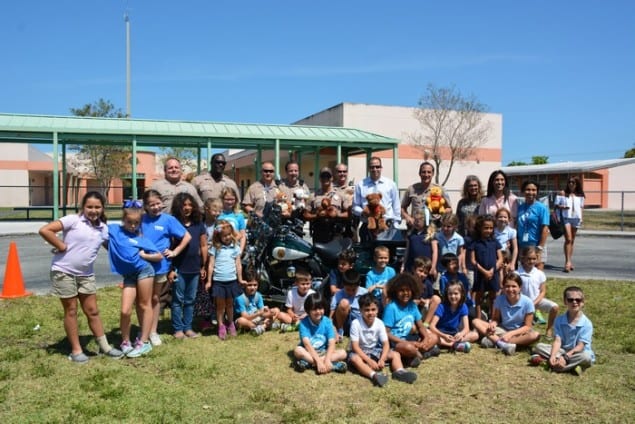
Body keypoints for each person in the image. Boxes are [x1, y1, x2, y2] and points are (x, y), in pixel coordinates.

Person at [38, 191, 123, 363]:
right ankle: (76, 350)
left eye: (97, 207)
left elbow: (114, 248)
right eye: (89, 207)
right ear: (83, 207)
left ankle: (105, 346)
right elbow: (45, 230)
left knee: (93, 311)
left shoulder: (103, 229)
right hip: (63, 271)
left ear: (103, 208)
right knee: (71, 310)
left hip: (86, 275)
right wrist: (61, 246)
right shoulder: (73, 220)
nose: (93, 210)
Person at [107, 202, 163, 358]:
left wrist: (145, 256)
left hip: (144, 271)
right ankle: (125, 341)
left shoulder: (141, 238)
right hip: (129, 275)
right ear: (123, 220)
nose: (132, 226)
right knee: (125, 310)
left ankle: (143, 342)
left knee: (144, 304)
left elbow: (159, 256)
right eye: (129, 222)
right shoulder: (114, 231)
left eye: (136, 223)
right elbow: (96, 232)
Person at [141, 189, 192, 347]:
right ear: (145, 206)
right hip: (141, 265)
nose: (155, 207)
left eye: (158, 203)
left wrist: (175, 251)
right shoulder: (140, 219)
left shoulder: (168, 220)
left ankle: (153, 331)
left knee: (155, 299)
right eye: (151, 205)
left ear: (162, 203)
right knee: (143, 300)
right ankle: (143, 330)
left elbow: (186, 236)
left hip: (160, 266)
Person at [348, 293, 418, 386]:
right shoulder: (356, 323)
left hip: (373, 350)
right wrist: (369, 361)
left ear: (377, 310)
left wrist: (382, 359)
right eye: (367, 310)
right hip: (360, 352)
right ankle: (374, 375)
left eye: (373, 310)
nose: (370, 313)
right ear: (360, 310)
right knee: (354, 359)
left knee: (395, 354)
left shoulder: (379, 323)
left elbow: (386, 344)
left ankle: (399, 372)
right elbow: (355, 347)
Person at [529, 286, 595, 375]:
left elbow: (580, 346)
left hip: (578, 353)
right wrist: (553, 355)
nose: (574, 302)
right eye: (570, 300)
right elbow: (557, 341)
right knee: (539, 347)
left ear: (583, 302)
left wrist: (566, 357)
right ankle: (572, 366)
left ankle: (552, 365)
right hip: (562, 350)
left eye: (578, 300)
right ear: (565, 302)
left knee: (586, 358)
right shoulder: (559, 320)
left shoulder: (587, 323)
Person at [472, 272, 541, 355]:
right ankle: (501, 343)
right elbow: (496, 319)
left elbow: (527, 326)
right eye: (507, 286)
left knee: (535, 335)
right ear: (503, 288)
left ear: (520, 288)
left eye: (514, 286)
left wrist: (510, 334)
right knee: (475, 321)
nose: (510, 289)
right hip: (503, 329)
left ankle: (497, 341)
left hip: (519, 332)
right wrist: (493, 324)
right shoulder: (499, 299)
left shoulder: (528, 302)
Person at [169, 193, 208, 339]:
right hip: (179, 268)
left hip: (195, 268)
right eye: (184, 205)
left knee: (190, 299)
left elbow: (203, 245)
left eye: (190, 205)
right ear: (178, 206)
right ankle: (178, 329)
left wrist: (203, 266)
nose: (187, 208)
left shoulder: (199, 224)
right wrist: (171, 269)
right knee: (178, 300)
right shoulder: (173, 223)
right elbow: (169, 246)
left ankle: (188, 328)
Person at [383, 273, 440, 366]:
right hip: (397, 343)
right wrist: (406, 342)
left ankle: (414, 356)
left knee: (434, 337)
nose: (405, 293)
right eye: (401, 290)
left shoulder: (412, 305)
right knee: (409, 348)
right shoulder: (391, 307)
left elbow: (421, 326)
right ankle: (419, 355)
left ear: (413, 290)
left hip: (411, 337)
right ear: (395, 292)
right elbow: (386, 333)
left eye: (408, 290)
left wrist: (425, 338)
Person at [206, 220, 244, 340]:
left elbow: (238, 265)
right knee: (220, 306)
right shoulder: (215, 248)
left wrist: (240, 279)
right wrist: (209, 281)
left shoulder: (235, 248)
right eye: (224, 236)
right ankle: (221, 325)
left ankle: (231, 323)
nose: (227, 238)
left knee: (230, 305)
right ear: (219, 236)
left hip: (231, 280)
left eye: (229, 235)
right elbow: (211, 265)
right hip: (219, 281)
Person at [292, 293, 348, 374]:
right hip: (309, 351)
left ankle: (308, 363)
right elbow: (307, 344)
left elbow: (331, 343)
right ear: (308, 311)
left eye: (320, 308)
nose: (318, 312)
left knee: (343, 353)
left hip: (324, 352)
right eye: (314, 309)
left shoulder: (328, 322)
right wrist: (318, 361)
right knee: (298, 350)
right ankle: (333, 365)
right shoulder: (303, 323)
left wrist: (327, 359)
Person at [352, 157, 401, 240]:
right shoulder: (361, 185)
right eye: (372, 167)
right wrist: (364, 213)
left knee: (385, 252)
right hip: (368, 225)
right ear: (368, 168)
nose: (375, 169)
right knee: (366, 252)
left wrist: (395, 225)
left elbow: (396, 205)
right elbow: (355, 206)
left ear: (381, 168)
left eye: (377, 166)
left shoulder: (390, 184)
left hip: (386, 226)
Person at [517, 246, 559, 338]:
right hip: (522, 303)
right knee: (526, 330)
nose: (531, 261)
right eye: (529, 259)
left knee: (555, 307)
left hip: (536, 301)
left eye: (534, 259)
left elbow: (543, 291)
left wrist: (535, 302)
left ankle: (549, 329)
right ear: (523, 258)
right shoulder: (517, 273)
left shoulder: (539, 274)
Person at [429, 280, 479, 352]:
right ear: (447, 294)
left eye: (456, 293)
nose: (453, 296)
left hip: (454, 334)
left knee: (475, 335)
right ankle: (454, 345)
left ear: (461, 294)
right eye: (450, 294)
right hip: (441, 334)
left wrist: (461, 334)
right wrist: (443, 336)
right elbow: (432, 326)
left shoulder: (463, 306)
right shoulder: (442, 306)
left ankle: (448, 343)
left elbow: (466, 328)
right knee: (428, 333)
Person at [303, 167, 349, 243]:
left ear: (332, 178)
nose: (325, 178)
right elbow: (305, 215)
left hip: (336, 232)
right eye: (323, 176)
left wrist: (338, 214)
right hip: (319, 232)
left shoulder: (340, 194)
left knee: (336, 254)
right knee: (318, 254)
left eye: (328, 176)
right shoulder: (313, 196)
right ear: (320, 179)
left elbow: (348, 213)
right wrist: (317, 215)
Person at [470, 215, 503, 322]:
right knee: (478, 297)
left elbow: (500, 258)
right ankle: (478, 318)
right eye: (486, 228)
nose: (488, 230)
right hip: (480, 274)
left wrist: (492, 271)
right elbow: (473, 260)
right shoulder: (475, 243)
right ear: (480, 228)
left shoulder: (494, 242)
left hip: (493, 274)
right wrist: (484, 271)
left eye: (491, 228)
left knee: (493, 296)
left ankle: (493, 318)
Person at [401, 161, 452, 228]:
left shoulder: (440, 189)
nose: (426, 175)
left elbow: (449, 208)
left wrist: (442, 215)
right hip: (416, 227)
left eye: (429, 172)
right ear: (419, 173)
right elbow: (402, 208)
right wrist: (408, 218)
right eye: (423, 172)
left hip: (435, 227)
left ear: (433, 174)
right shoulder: (411, 189)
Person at [234, 269, 281, 336]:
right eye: (249, 285)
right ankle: (265, 326)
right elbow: (245, 317)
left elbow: (263, 313)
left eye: (255, 285)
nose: (253, 288)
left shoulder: (258, 295)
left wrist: (269, 313)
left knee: (276, 310)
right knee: (240, 321)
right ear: (244, 285)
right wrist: (259, 313)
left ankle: (262, 327)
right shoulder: (240, 298)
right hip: (248, 319)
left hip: (258, 318)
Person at [517, 179, 549, 270]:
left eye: (534, 190)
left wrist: (540, 248)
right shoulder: (520, 207)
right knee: (524, 274)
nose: (531, 192)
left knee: (537, 275)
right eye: (528, 189)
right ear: (523, 191)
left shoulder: (542, 208)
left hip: (537, 245)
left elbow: (545, 228)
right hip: (523, 245)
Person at [330, 269, 368, 341]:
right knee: (344, 303)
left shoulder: (365, 293)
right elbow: (331, 316)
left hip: (359, 322)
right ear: (343, 285)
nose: (351, 292)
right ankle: (340, 331)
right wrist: (333, 330)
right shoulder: (338, 294)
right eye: (348, 289)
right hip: (345, 323)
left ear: (359, 285)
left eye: (354, 290)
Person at [558, 176, 585, 273]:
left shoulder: (580, 195)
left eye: (573, 182)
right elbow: (556, 205)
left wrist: (581, 218)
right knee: (568, 239)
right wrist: (562, 207)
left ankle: (569, 260)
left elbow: (581, 207)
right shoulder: (563, 193)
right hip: (566, 218)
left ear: (577, 184)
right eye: (569, 182)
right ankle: (567, 263)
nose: (571, 184)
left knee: (572, 240)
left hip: (576, 218)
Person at [402, 209, 438, 275]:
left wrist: (433, 266)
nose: (416, 222)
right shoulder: (411, 235)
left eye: (419, 220)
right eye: (415, 220)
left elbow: (434, 252)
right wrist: (403, 265)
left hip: (425, 266)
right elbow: (407, 251)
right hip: (412, 266)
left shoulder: (431, 234)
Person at [411, 256, 441, 326]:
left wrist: (425, 301)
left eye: (425, 273)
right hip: (409, 309)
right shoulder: (408, 281)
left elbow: (430, 297)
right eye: (420, 271)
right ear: (413, 269)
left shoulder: (427, 283)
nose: (422, 275)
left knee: (436, 299)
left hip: (422, 309)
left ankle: (426, 324)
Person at [435, 214, 465, 280]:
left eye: (448, 226)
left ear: (454, 226)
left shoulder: (458, 238)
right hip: (440, 268)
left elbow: (460, 253)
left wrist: (457, 265)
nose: (445, 228)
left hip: (453, 268)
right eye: (443, 225)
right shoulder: (437, 236)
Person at [218, 187, 247, 253]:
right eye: (227, 199)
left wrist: (241, 251)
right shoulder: (218, 215)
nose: (230, 202)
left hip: (234, 249)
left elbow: (243, 235)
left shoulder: (239, 215)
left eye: (232, 199)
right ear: (222, 199)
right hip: (220, 249)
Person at [494, 207, 518, 278]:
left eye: (505, 217)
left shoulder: (511, 231)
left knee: (506, 277)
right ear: (496, 218)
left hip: (506, 258)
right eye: (500, 217)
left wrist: (513, 263)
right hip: (495, 257)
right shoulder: (492, 231)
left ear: (509, 219)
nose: (503, 219)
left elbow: (515, 248)